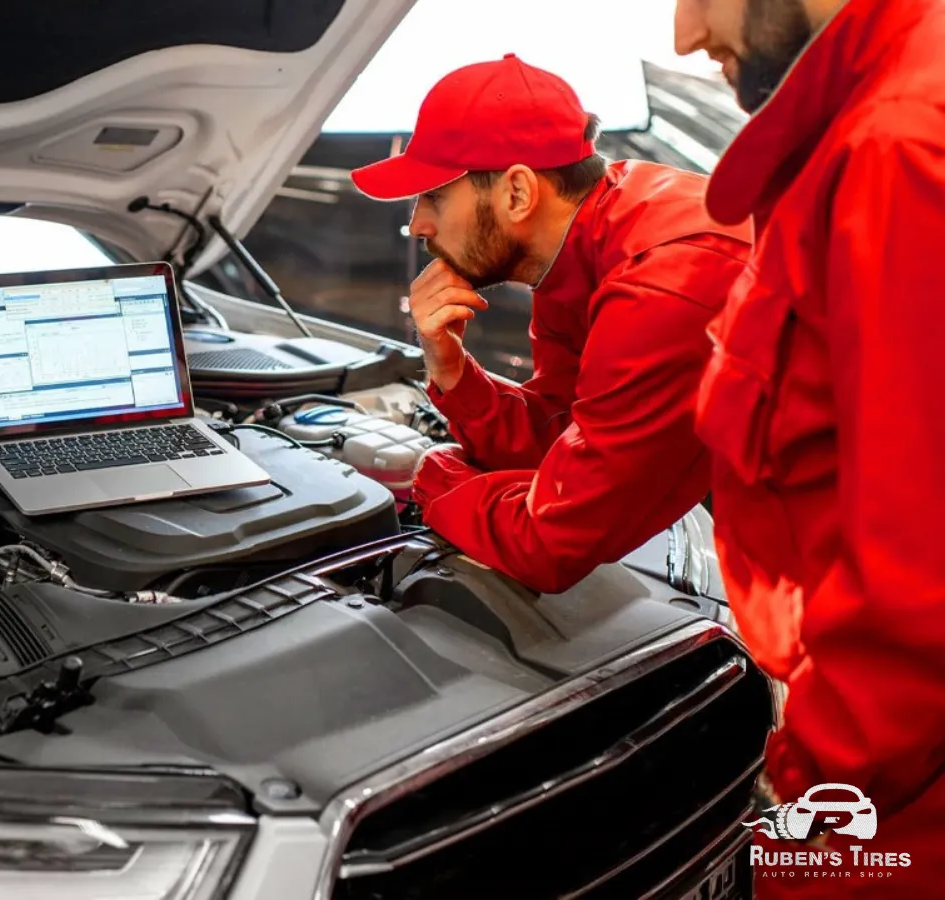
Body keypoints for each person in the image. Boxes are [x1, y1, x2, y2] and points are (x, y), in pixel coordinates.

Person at [675, 0, 945, 894]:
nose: (684, 33)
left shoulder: (901, 141)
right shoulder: (875, 122)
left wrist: (806, 809)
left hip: (900, 798)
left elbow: (919, 587)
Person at [350, 54, 751, 594]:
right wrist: (452, 371)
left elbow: (553, 543)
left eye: (435, 196)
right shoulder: (585, 248)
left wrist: (431, 474)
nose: (417, 223)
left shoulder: (665, 279)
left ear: (518, 192)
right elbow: (563, 440)